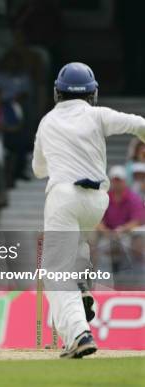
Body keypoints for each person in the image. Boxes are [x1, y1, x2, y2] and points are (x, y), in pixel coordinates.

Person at [32, 62, 145, 358]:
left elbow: (38, 168)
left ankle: (79, 334)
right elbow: (138, 125)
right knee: (77, 244)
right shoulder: (98, 115)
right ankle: (81, 281)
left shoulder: (47, 122)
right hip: (97, 201)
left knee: (55, 273)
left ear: (58, 92)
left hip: (64, 196)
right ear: (92, 93)